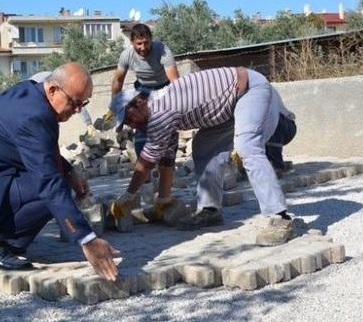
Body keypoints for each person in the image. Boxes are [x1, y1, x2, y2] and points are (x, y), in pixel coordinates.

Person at [0, 62, 119, 281]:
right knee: (53, 190)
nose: (78, 110)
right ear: (53, 90)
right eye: (74, 102)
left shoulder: (32, 96)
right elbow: (48, 182)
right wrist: (87, 239)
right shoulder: (34, 115)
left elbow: (38, 152)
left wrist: (69, 170)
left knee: (58, 179)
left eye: (83, 103)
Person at [109, 67, 301, 246]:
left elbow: (146, 163)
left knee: (247, 146)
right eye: (126, 123)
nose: (131, 125)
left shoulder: (159, 110)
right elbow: (166, 159)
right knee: (203, 147)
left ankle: (280, 217)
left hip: (248, 89)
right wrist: (163, 200)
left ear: (140, 101)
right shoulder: (158, 110)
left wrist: (128, 195)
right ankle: (210, 210)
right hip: (227, 104)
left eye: (128, 118)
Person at [105, 23, 179, 214]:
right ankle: (144, 175)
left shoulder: (162, 50)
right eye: (139, 44)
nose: (143, 48)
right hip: (143, 90)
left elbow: (176, 83)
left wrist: (176, 107)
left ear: (151, 39)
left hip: (164, 90)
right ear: (132, 42)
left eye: (146, 43)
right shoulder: (127, 55)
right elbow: (117, 81)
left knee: (167, 141)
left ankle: (164, 188)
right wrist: (114, 107)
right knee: (142, 138)